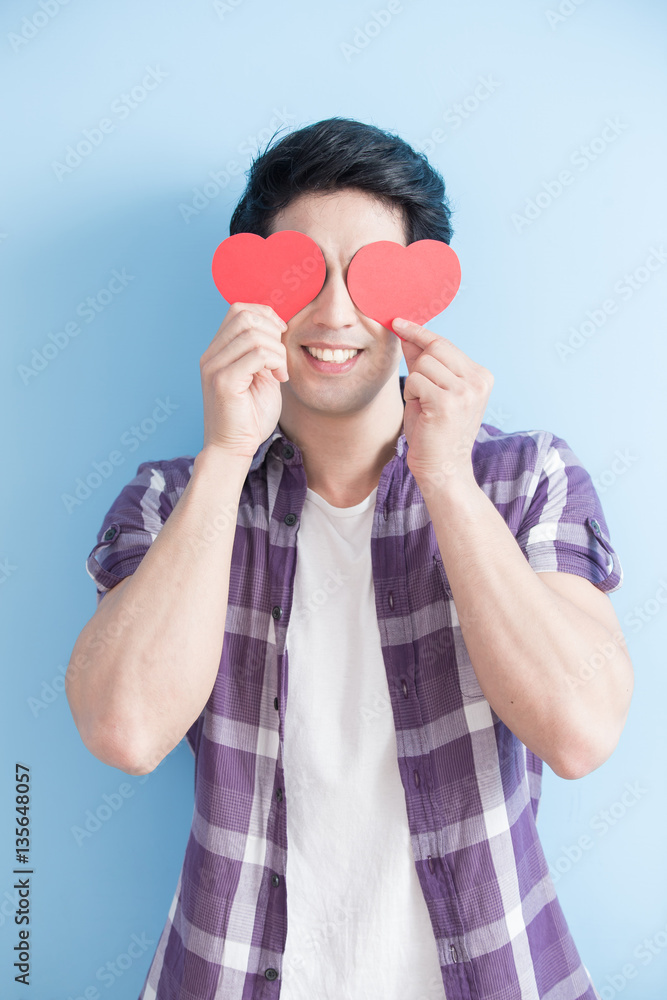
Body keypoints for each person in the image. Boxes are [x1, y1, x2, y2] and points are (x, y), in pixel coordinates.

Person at [65, 117, 633, 1000]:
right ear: (251, 286)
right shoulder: (170, 499)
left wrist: (444, 476)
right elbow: (125, 731)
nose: (333, 314)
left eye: (368, 277)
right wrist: (223, 457)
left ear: (424, 293)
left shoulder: (525, 479)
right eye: (299, 273)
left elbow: (579, 731)